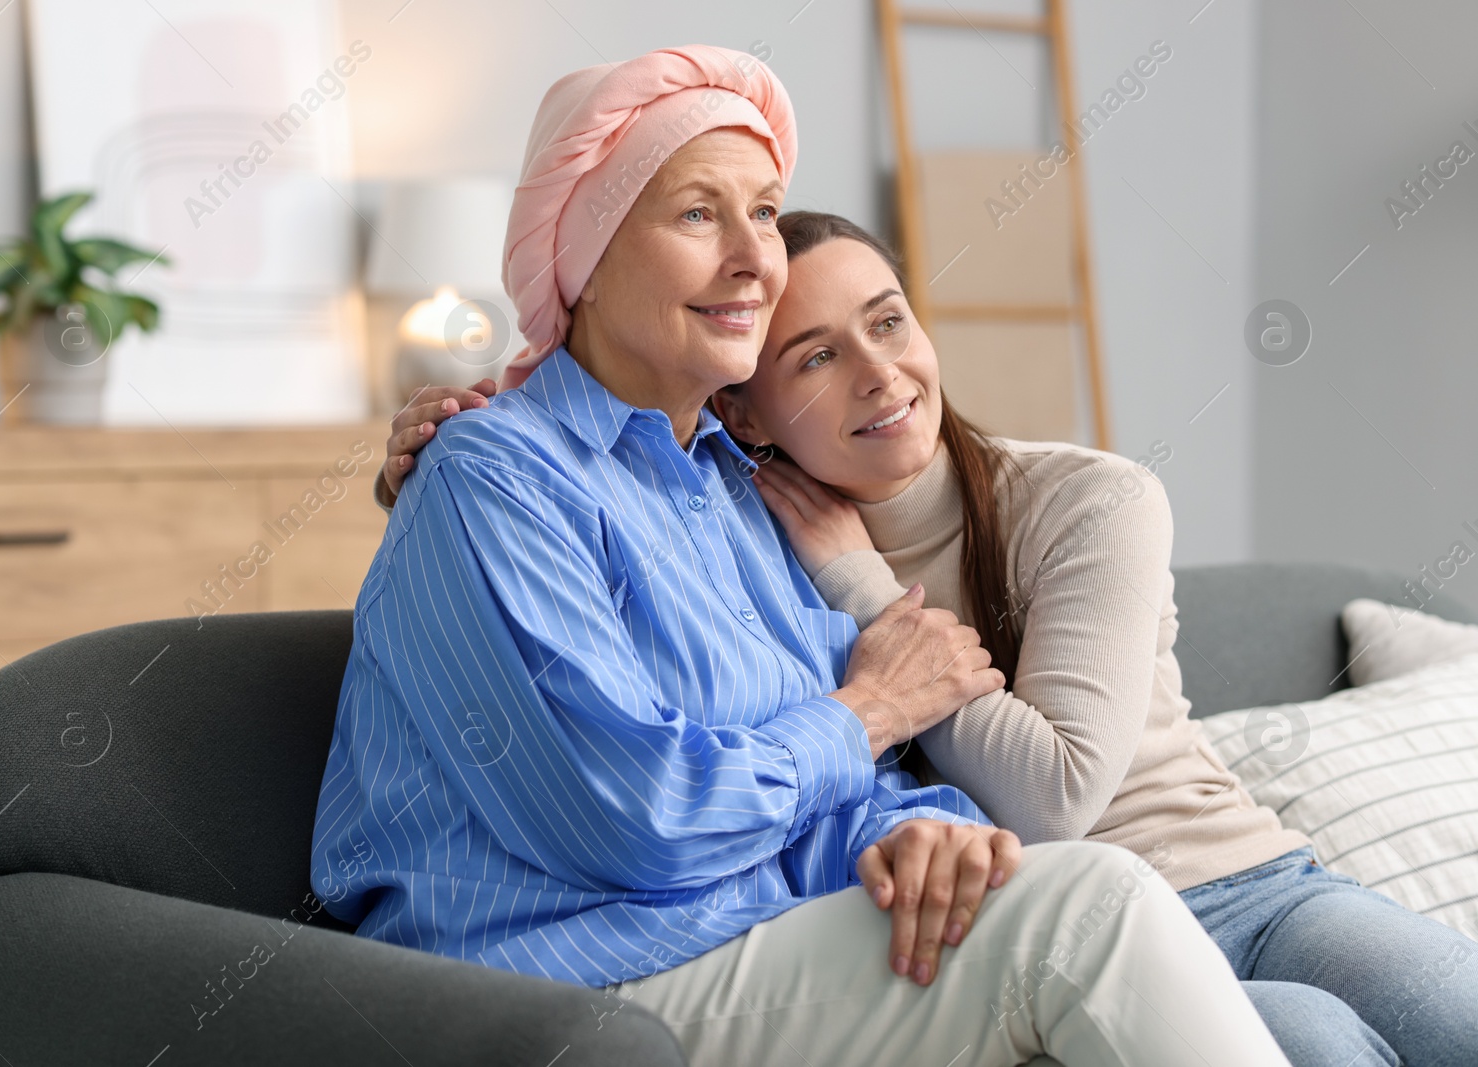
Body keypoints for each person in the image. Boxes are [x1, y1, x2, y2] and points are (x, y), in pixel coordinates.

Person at [320, 44, 1293, 1066]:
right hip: (571, 976)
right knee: (1085, 912)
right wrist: (871, 707)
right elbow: (635, 816)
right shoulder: (495, 475)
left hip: (757, 935)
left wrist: (921, 830)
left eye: (765, 211)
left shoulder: (738, 489)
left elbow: (841, 769)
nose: (753, 256)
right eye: (699, 213)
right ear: (584, 255)